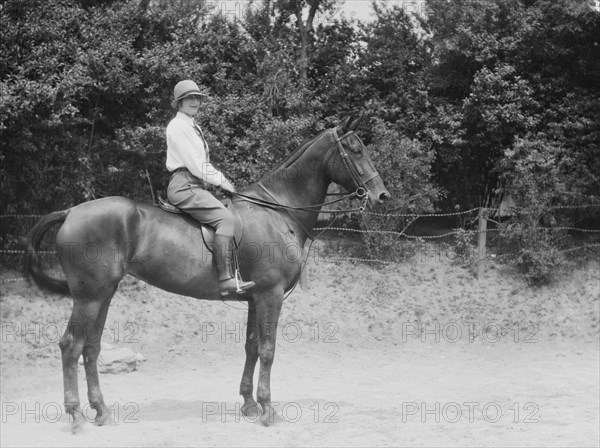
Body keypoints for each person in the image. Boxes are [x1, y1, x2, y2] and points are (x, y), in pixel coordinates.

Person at [165, 80, 255, 296]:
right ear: (179, 103)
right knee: (226, 219)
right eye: (189, 98)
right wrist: (222, 181)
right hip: (185, 185)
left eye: (197, 98)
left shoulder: (191, 125)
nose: (195, 102)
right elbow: (197, 165)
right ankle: (225, 279)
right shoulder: (178, 126)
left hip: (195, 183)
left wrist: (216, 182)